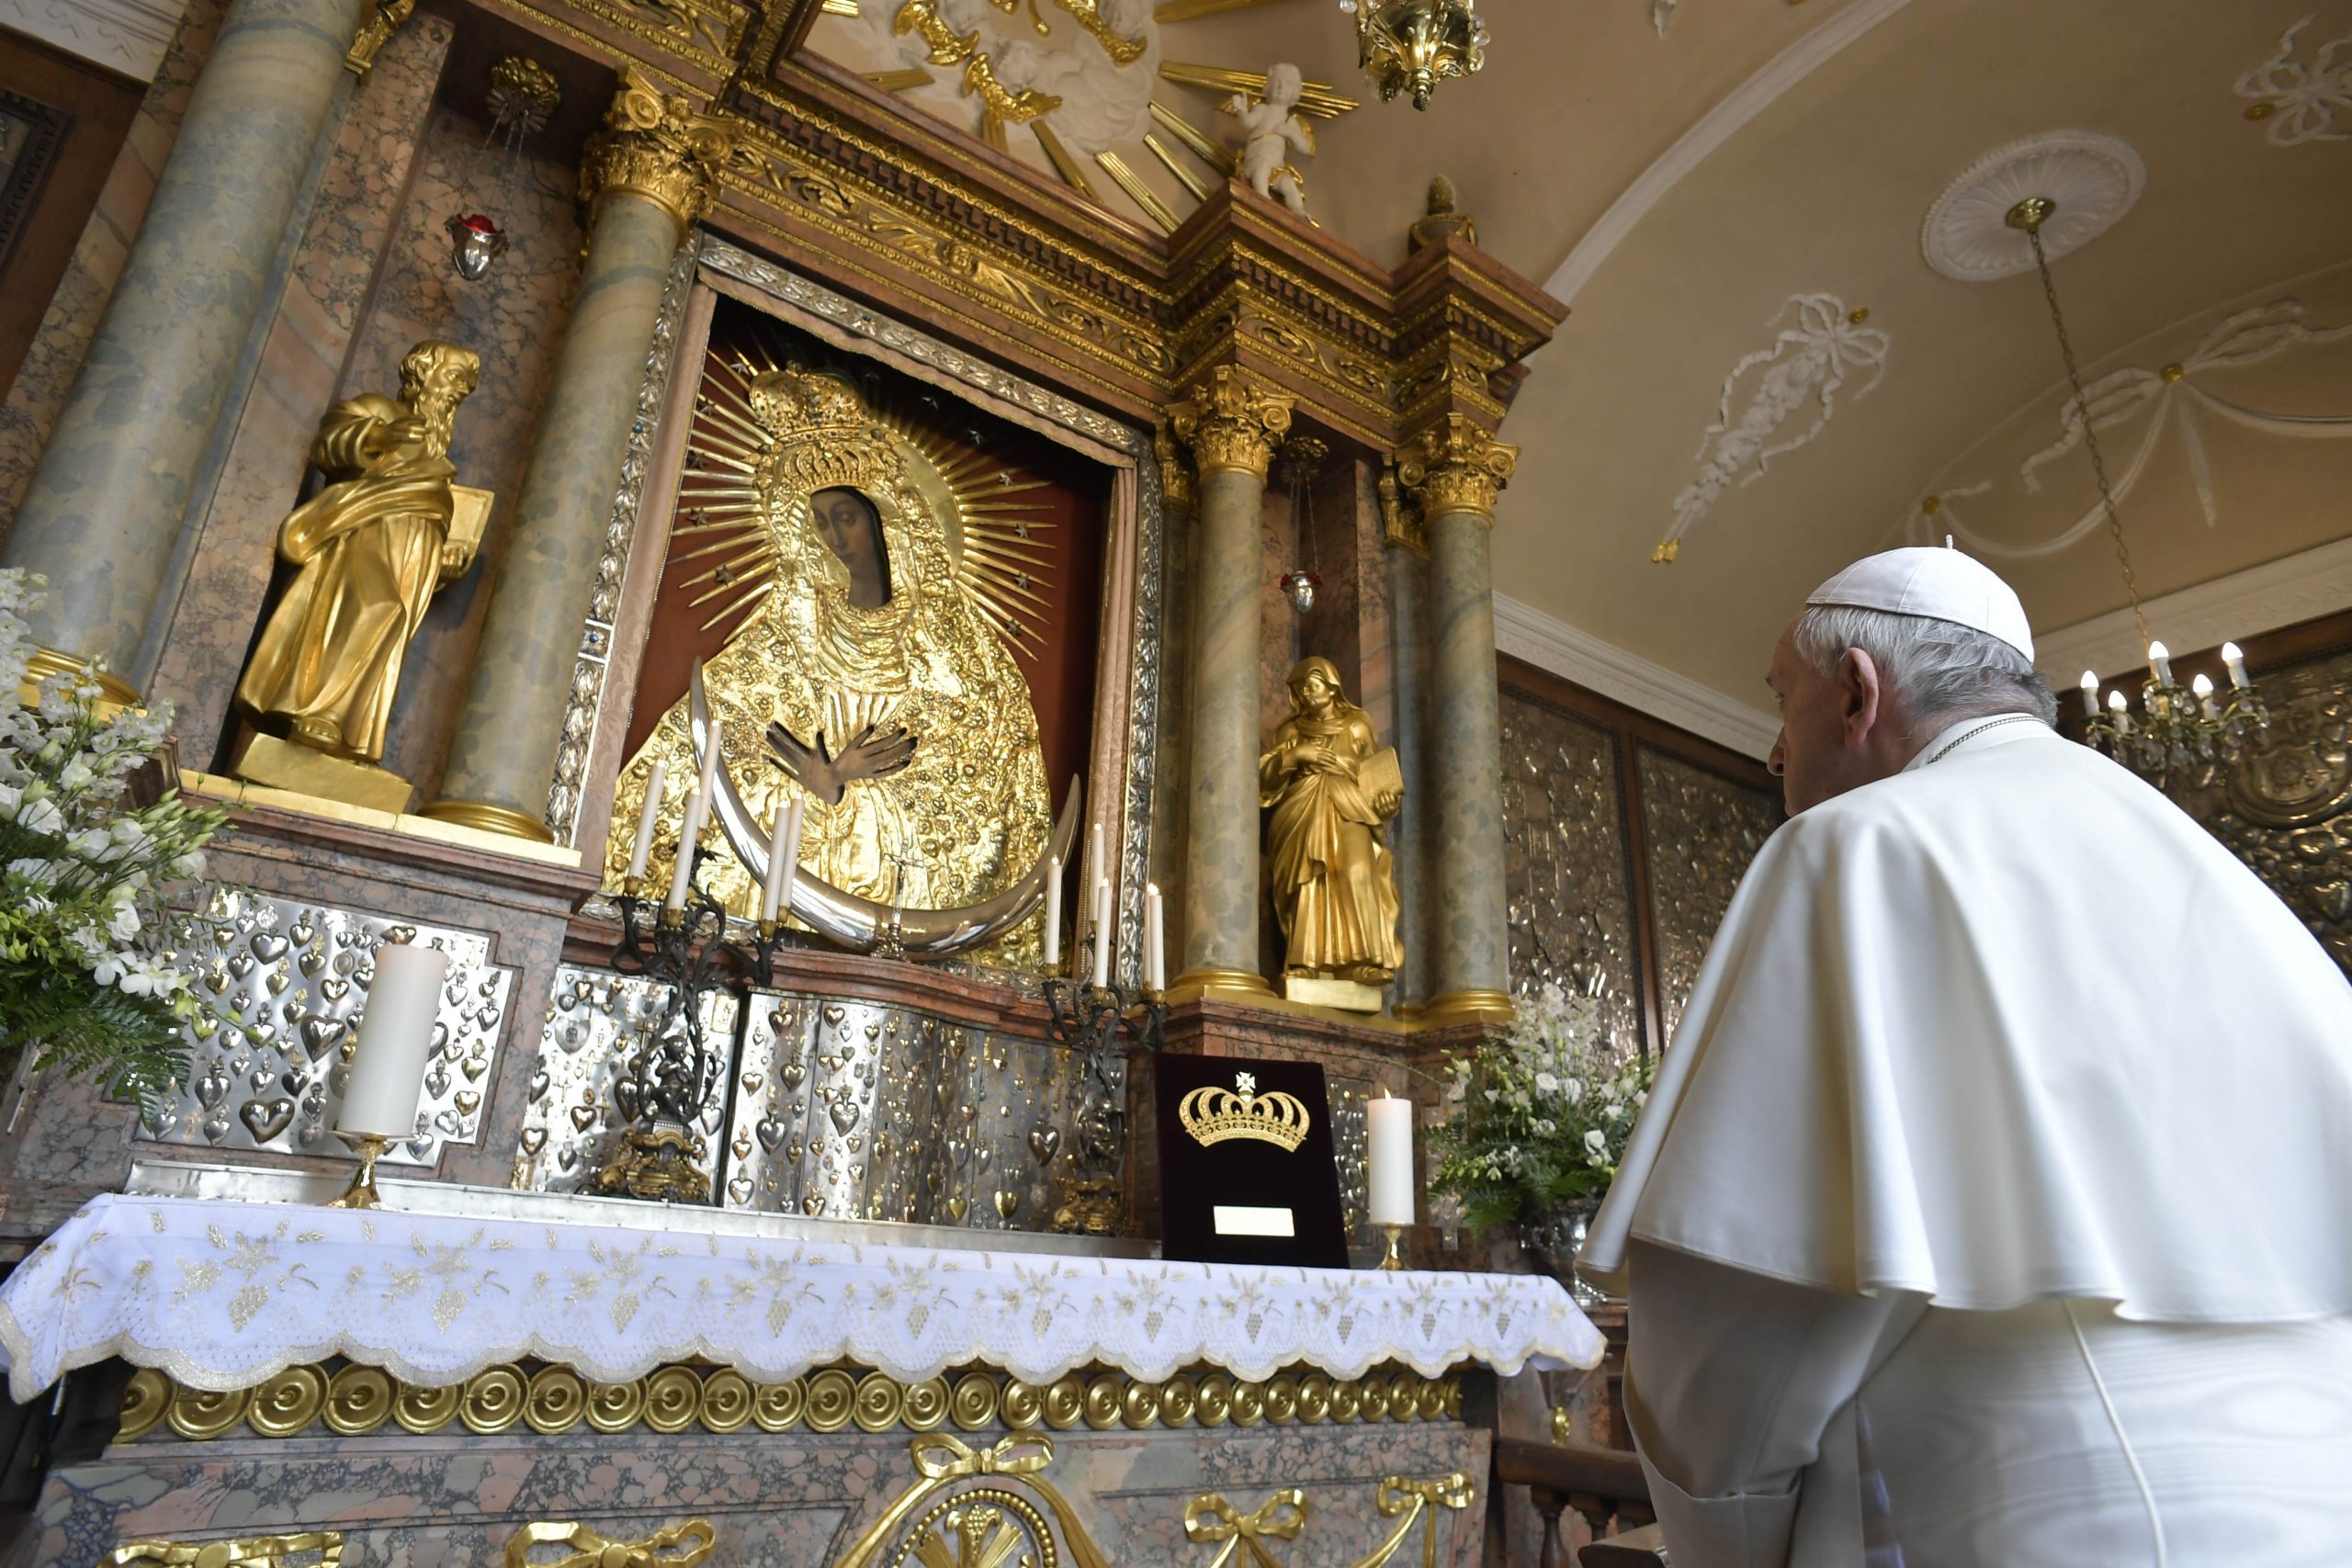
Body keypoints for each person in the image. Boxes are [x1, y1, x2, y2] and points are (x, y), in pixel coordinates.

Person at [1577, 547, 2352, 1567]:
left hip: (2029, 1517)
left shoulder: (1852, 844)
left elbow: (1743, 1312)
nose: (1773, 749)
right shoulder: (2209, 866)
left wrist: (1721, 1532)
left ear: (1857, 692)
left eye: (1781, 699)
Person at [1258, 656, 1404, 985]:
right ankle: (1305, 962)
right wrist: (1296, 755)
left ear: (1332, 686)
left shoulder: (1357, 726)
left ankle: (1362, 960)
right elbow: (1264, 779)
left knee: (1356, 872)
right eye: (1300, 690)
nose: (1306, 694)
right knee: (1309, 879)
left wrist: (1386, 802)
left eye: (1312, 686)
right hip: (1302, 808)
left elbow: (1376, 775)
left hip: (1349, 805)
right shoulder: (1292, 730)